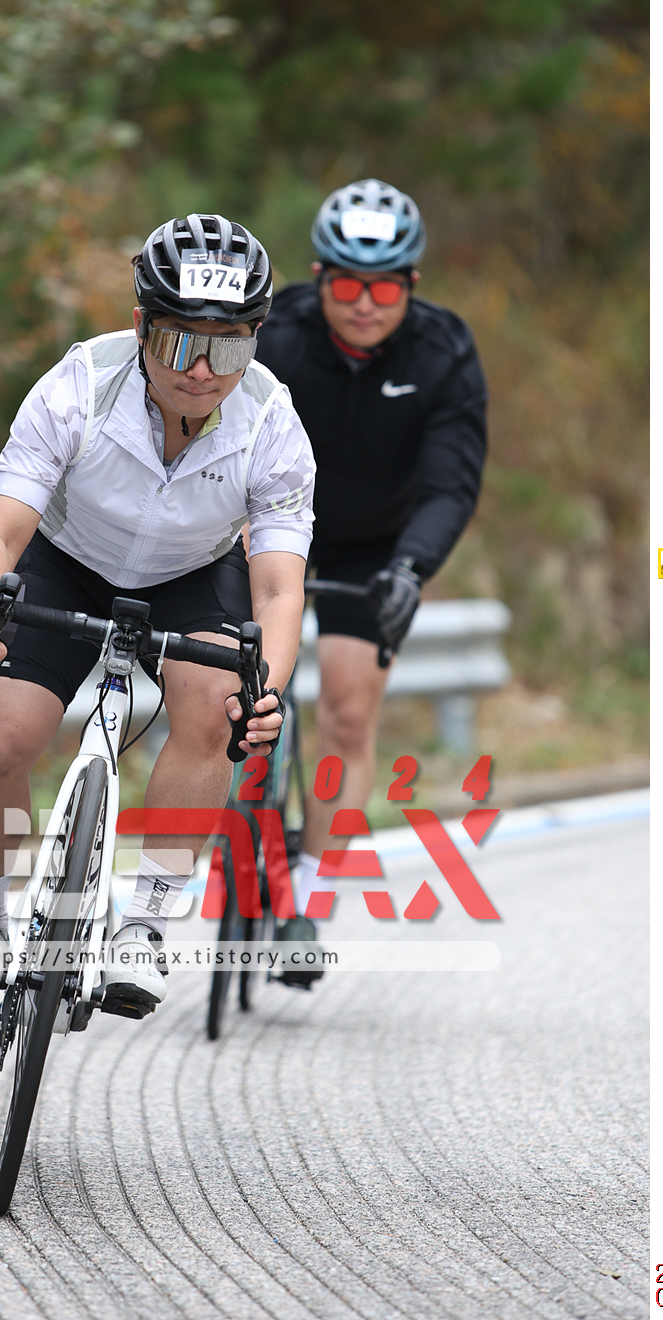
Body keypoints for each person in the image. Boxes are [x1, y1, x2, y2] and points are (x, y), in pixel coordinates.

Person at [0, 214, 315, 1020]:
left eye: (229, 349)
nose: (203, 371)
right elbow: (1, 535)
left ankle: (144, 925)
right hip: (67, 561)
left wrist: (266, 691)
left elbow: (280, 589)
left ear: (254, 341)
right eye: (181, 343)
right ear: (142, 325)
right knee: (1, 736)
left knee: (218, 704)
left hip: (192, 574)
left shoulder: (273, 422)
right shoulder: (78, 385)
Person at [255, 179, 487, 984]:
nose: (363, 304)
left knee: (349, 711)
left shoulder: (443, 351)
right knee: (227, 686)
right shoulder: (275, 335)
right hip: (269, 522)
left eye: (384, 289)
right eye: (346, 286)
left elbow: (451, 485)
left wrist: (411, 569)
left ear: (411, 285)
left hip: (377, 545)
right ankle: (235, 816)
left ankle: (309, 900)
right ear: (320, 277)